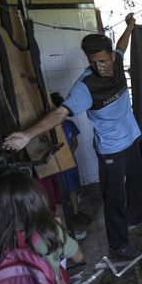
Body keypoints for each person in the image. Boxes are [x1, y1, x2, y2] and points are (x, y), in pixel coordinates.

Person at [3, 13, 142, 260]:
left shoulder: (116, 57)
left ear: (110, 56)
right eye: (93, 63)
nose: (100, 67)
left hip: (132, 137)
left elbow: (122, 44)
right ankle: (118, 244)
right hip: (111, 148)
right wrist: (28, 135)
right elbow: (60, 113)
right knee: (114, 197)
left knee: (138, 182)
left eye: (103, 61)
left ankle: (134, 219)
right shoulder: (85, 87)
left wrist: (131, 26)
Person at [50, 92, 92, 229]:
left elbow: (74, 142)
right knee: (59, 190)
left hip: (69, 161)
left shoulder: (69, 125)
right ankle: (64, 216)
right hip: (55, 164)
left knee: (72, 188)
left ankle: (75, 212)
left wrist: (69, 155)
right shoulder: (50, 128)